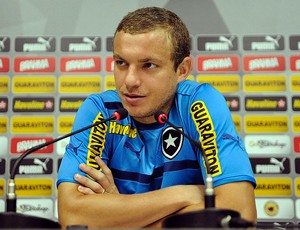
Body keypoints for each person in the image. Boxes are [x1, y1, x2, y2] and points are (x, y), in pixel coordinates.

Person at [57, 6, 257, 228]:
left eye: (148, 65)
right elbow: (72, 218)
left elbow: (239, 215)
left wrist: (119, 214)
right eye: (121, 63)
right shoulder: (100, 112)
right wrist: (186, 194)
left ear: (182, 70)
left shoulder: (199, 104)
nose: (130, 81)